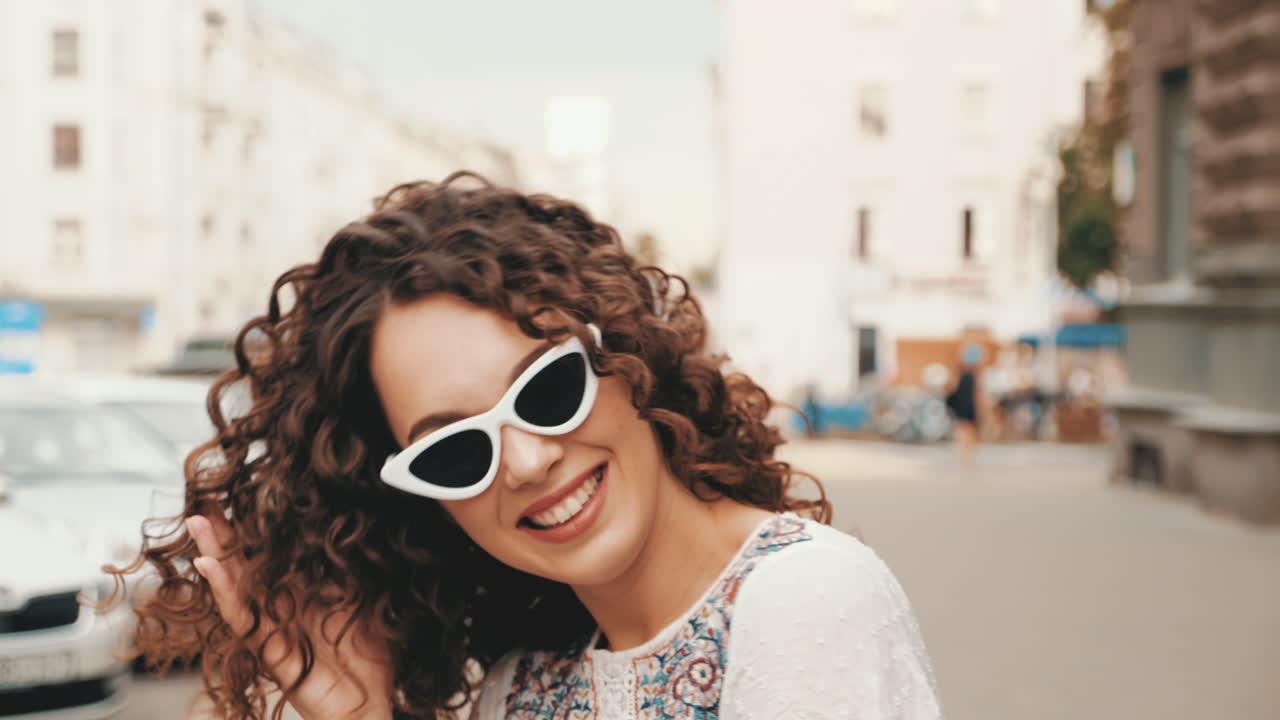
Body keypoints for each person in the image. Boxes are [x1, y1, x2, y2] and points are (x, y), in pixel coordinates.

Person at [118, 173, 942, 719]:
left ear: (625, 356)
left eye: (547, 391)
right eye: (454, 452)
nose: (525, 460)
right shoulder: (521, 683)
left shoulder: (805, 602)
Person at [945, 345, 981, 470]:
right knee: (969, 431)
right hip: (969, 405)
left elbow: (951, 388)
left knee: (963, 430)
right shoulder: (974, 375)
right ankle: (968, 457)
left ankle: (965, 457)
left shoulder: (960, 374)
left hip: (962, 405)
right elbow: (978, 393)